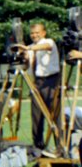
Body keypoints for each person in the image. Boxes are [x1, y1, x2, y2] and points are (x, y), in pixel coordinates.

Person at [16, 22, 61, 150]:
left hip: (51, 82)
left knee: (54, 115)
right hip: (36, 82)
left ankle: (59, 146)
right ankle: (38, 146)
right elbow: (27, 66)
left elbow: (45, 46)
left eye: (37, 32)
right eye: (32, 33)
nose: (34, 35)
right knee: (36, 115)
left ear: (43, 33)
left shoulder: (49, 42)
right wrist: (23, 56)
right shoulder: (29, 47)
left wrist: (28, 49)